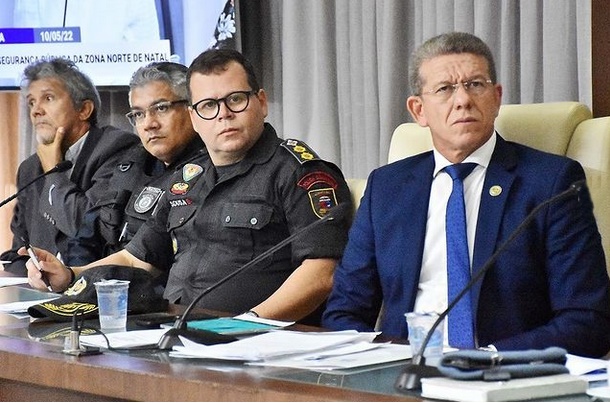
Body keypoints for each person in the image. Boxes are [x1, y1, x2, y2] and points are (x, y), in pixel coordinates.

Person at [322, 32, 610, 357]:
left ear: (496, 98)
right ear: (418, 110)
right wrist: (380, 361)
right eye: (445, 89)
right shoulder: (386, 188)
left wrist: (484, 360)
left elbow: (588, 320)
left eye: (475, 85)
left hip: (503, 372)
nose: (463, 100)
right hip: (403, 371)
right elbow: (344, 312)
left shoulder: (551, 183)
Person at [25, 49, 352, 324]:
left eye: (236, 99)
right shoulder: (187, 179)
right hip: (175, 333)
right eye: (209, 105)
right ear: (195, 118)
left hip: (256, 345)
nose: (223, 114)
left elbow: (321, 272)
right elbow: (138, 259)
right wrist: (71, 274)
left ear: (262, 103)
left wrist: (246, 324)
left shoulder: (297, 171)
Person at [1, 57, 138, 275]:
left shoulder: (118, 149)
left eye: (48, 98)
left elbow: (89, 229)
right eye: (31, 102)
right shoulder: (30, 169)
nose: (36, 111)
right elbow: (19, 252)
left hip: (95, 286)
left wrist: (53, 174)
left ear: (84, 109)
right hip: (41, 291)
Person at [64, 61, 204, 266]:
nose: (149, 124)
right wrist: (74, 276)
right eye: (139, 114)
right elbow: (86, 237)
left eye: (161, 108)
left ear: (192, 108)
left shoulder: (210, 169)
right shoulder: (131, 164)